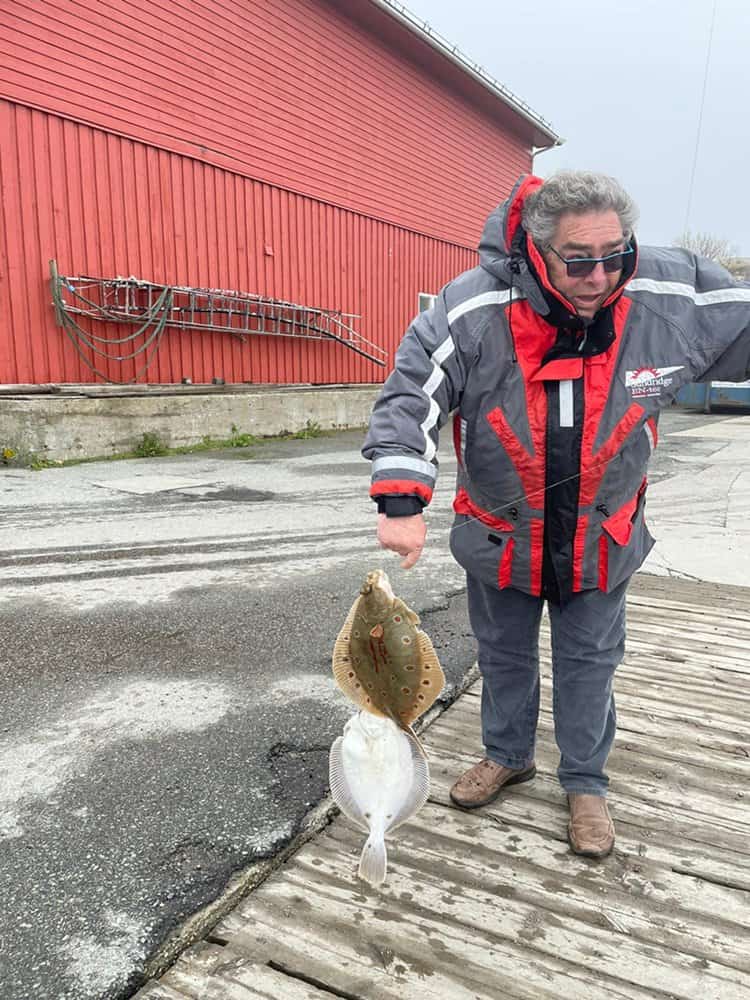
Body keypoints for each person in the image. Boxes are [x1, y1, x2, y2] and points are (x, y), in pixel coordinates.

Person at [362, 170, 750, 859]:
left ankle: (585, 783)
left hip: (604, 536)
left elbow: (739, 319)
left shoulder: (664, 289)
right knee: (503, 655)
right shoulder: (469, 307)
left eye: (615, 253)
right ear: (538, 251)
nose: (600, 275)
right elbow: (410, 392)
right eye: (580, 260)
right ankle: (507, 754)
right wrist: (401, 499)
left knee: (590, 663)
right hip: (502, 534)